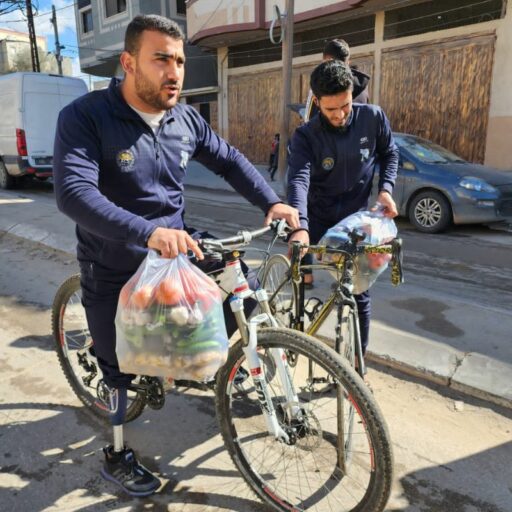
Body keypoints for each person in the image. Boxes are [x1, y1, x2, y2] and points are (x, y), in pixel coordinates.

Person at [53, 14, 299, 497]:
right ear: (128, 62)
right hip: (113, 260)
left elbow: (229, 160)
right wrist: (146, 232)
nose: (174, 72)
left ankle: (222, 364)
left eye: (181, 61)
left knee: (241, 292)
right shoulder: (85, 117)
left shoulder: (184, 119)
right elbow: (73, 193)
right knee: (118, 366)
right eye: (161, 58)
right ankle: (118, 452)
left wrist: (271, 201)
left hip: (177, 245)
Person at [287, 59, 398, 366]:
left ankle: (357, 370)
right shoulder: (306, 136)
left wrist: (386, 189)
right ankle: (296, 338)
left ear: (352, 94)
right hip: (317, 218)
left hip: (356, 222)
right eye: (330, 109)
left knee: (359, 294)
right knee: (300, 273)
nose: (339, 115)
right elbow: (298, 179)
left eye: (345, 106)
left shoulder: (372, 118)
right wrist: (300, 225)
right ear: (317, 102)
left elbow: (390, 152)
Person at [304, 38, 370, 122]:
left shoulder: (320, 85)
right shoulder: (363, 87)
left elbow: (310, 120)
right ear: (348, 62)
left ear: (326, 62)